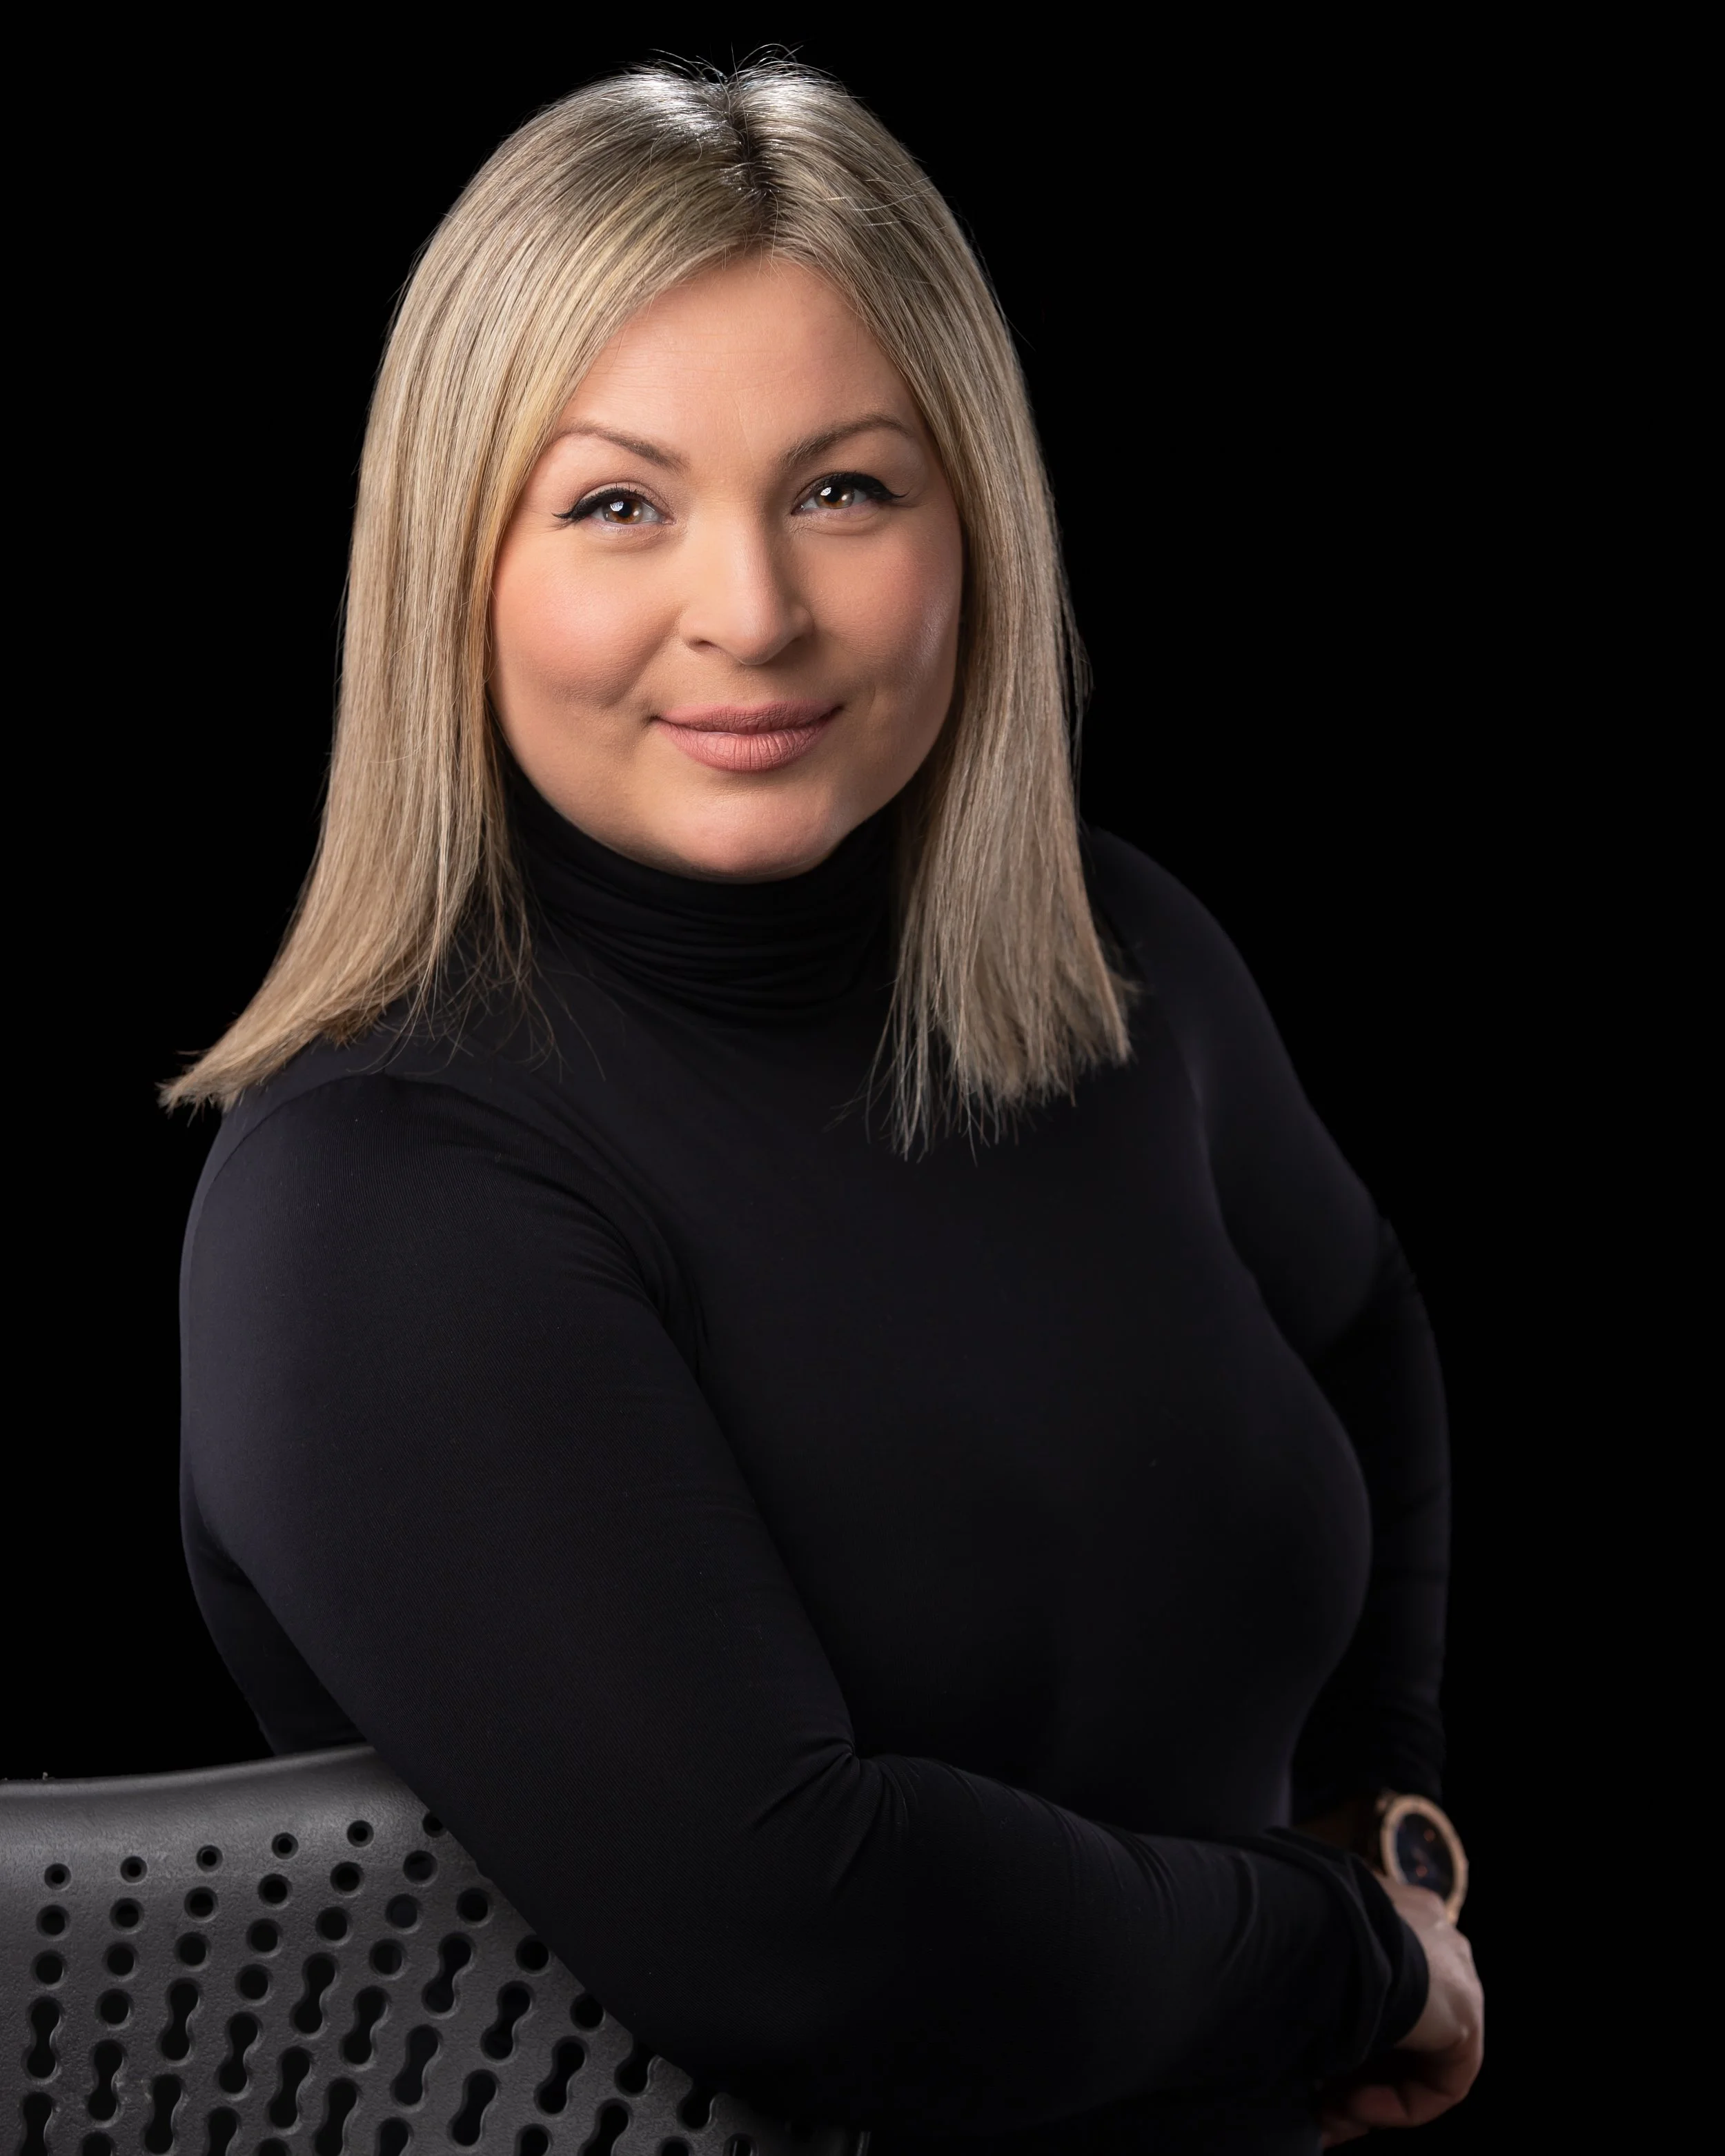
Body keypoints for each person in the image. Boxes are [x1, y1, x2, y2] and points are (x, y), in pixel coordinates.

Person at [169, 59, 1482, 2154]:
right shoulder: (379, 1195)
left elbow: (1363, 1320)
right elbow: (800, 1931)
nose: (755, 613)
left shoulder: (1110, 958)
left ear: (978, 526)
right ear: (453, 571)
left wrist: (1383, 1804)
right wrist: (1338, 1960)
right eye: (617, 503)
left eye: (845, 489)